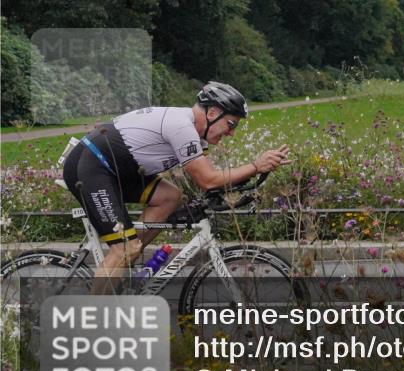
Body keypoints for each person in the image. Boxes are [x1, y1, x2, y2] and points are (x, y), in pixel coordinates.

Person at [61, 81, 290, 284]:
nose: (231, 133)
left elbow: (210, 177)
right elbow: (208, 181)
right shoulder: (181, 126)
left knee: (169, 197)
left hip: (116, 171)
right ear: (212, 113)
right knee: (124, 249)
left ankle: (123, 267)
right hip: (90, 167)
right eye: (231, 124)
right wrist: (255, 166)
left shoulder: (197, 135)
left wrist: (246, 180)